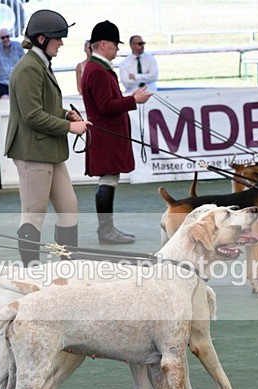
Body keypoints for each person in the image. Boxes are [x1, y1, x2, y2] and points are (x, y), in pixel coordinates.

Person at [2, 9, 90, 266]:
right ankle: (32, 270)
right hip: (32, 152)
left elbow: (42, 106)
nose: (61, 43)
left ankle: (67, 263)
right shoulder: (29, 68)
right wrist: (68, 127)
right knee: (33, 213)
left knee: (68, 206)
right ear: (42, 39)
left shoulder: (39, 64)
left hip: (48, 151)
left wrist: (66, 115)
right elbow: (31, 116)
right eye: (57, 38)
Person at [81, 21, 151, 244]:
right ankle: (106, 231)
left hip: (106, 134)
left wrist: (130, 98)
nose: (117, 49)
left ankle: (107, 230)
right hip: (106, 134)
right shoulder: (98, 71)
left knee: (109, 179)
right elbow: (105, 106)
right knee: (108, 179)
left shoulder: (96, 68)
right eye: (114, 44)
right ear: (103, 44)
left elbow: (108, 102)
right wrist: (133, 100)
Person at [0, 28, 24, 100]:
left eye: (7, 37)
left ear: (10, 36)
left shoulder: (18, 46)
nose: (5, 39)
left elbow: (24, 65)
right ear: (0, 39)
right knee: (5, 102)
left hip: (17, 81)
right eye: (3, 38)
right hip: (2, 82)